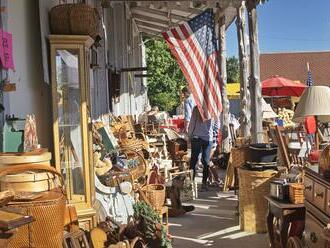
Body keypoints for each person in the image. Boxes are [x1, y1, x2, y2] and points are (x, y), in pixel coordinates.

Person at [188, 106, 220, 191]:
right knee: (205, 161)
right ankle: (203, 184)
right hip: (206, 137)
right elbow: (217, 124)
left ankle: (192, 183)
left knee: (195, 161)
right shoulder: (211, 106)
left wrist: (189, 135)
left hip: (198, 137)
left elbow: (192, 123)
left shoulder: (197, 108)